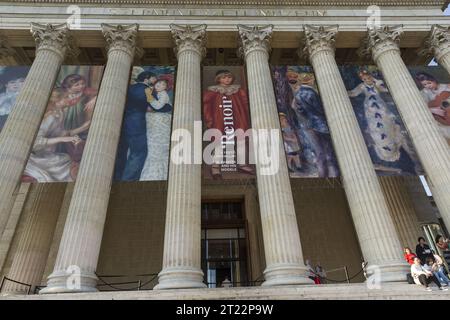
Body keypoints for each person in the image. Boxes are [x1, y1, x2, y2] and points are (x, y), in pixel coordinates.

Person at [348, 70, 420, 174]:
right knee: (375, 127)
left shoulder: (376, 84)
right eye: (364, 79)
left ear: (371, 77)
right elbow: (353, 93)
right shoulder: (362, 86)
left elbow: (387, 90)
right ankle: (385, 148)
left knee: (388, 124)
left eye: (368, 77)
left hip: (381, 106)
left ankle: (393, 144)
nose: (367, 80)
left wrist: (380, 83)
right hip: (370, 107)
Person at [203, 69, 253, 178]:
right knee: (219, 141)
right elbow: (207, 106)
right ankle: (215, 167)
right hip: (220, 118)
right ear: (219, 79)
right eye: (224, 77)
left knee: (240, 139)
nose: (227, 79)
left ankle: (242, 164)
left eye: (229, 77)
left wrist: (246, 117)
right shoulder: (213, 92)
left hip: (238, 117)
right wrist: (209, 119)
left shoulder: (238, 90)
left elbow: (245, 104)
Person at [22, 89, 81, 182]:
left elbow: (60, 133)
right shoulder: (50, 117)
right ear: (56, 101)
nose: (69, 99)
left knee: (66, 159)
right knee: (64, 162)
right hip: (35, 157)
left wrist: (83, 128)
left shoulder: (60, 113)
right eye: (66, 97)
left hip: (44, 153)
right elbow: (35, 142)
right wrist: (62, 139)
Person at [291, 72, 339, 177]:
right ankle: (334, 173)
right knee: (329, 151)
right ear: (310, 81)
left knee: (319, 152)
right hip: (321, 126)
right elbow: (320, 109)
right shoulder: (312, 93)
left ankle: (323, 174)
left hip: (308, 127)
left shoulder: (298, 94)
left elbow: (297, 109)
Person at [114, 71, 157, 181]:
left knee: (121, 151)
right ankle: (128, 180)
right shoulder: (148, 90)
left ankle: (116, 178)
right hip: (136, 122)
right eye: (153, 78)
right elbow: (153, 106)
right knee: (139, 151)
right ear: (146, 79)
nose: (155, 80)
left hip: (121, 121)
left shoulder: (128, 87)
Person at [139, 78, 173, 181]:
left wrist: (149, 96)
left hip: (160, 123)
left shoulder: (163, 94)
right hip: (153, 121)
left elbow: (158, 106)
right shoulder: (153, 91)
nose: (159, 85)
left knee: (157, 149)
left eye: (163, 84)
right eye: (158, 83)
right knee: (151, 147)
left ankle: (158, 175)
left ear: (166, 88)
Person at [415, 72, 450, 143]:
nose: (428, 86)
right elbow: (420, 107)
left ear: (434, 80)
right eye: (424, 84)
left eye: (429, 83)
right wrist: (433, 110)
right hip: (440, 118)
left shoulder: (446, 87)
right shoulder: (424, 92)